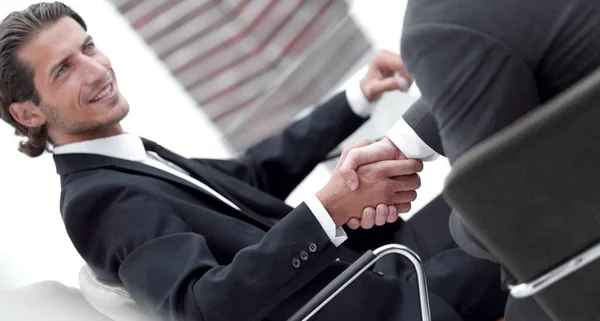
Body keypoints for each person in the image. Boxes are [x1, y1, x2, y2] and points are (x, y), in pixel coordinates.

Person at [0, 2, 508, 321]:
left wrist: (355, 97)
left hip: (372, 263)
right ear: (27, 112)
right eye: (64, 69)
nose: (96, 71)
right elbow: (202, 307)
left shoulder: (127, 156)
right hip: (380, 299)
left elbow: (249, 176)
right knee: (529, 199)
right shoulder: (100, 201)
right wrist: (329, 209)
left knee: (496, 174)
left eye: (88, 46)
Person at [339, 0, 600, 320]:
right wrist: (402, 143)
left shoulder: (435, 26)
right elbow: (506, 42)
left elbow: (508, 221)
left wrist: (459, 222)